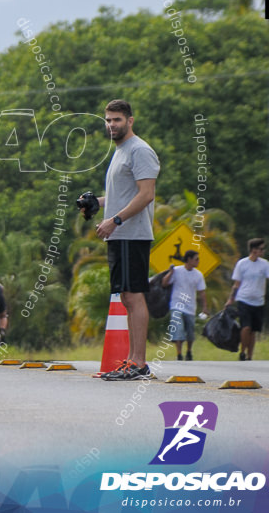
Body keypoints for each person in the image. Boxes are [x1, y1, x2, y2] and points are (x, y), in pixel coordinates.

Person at [88, 99, 160, 381]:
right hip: (120, 234)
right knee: (127, 297)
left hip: (132, 233)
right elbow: (122, 196)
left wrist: (114, 220)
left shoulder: (140, 150)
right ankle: (132, 361)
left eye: (117, 120)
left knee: (134, 295)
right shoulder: (120, 152)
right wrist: (96, 203)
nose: (111, 125)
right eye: (108, 120)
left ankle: (139, 363)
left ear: (130, 120)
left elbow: (146, 194)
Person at [225, 238, 269, 361]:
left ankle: (250, 356)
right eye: (260, 249)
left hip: (258, 301)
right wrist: (231, 299)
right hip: (244, 299)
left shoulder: (265, 264)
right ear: (253, 250)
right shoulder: (242, 263)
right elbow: (236, 284)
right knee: (246, 327)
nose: (262, 251)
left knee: (254, 330)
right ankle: (242, 351)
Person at [162, 250, 208, 361]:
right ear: (189, 259)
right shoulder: (177, 271)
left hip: (190, 307)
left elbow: (202, 292)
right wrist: (170, 273)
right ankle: (179, 353)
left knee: (190, 331)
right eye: (196, 259)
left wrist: (205, 307)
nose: (198, 261)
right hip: (176, 305)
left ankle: (189, 351)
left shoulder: (198, 274)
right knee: (178, 329)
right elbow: (164, 283)